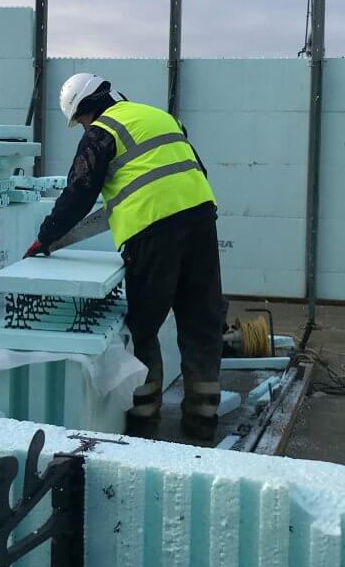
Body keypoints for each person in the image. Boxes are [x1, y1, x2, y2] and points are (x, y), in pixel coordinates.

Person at [24, 73, 226, 442]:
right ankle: (202, 424)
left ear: (86, 108)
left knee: (145, 326)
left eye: (79, 120)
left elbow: (79, 193)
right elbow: (196, 169)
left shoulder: (102, 131)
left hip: (152, 232)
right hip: (201, 219)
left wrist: (46, 237)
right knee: (202, 322)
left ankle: (144, 424)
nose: (82, 127)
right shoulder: (161, 117)